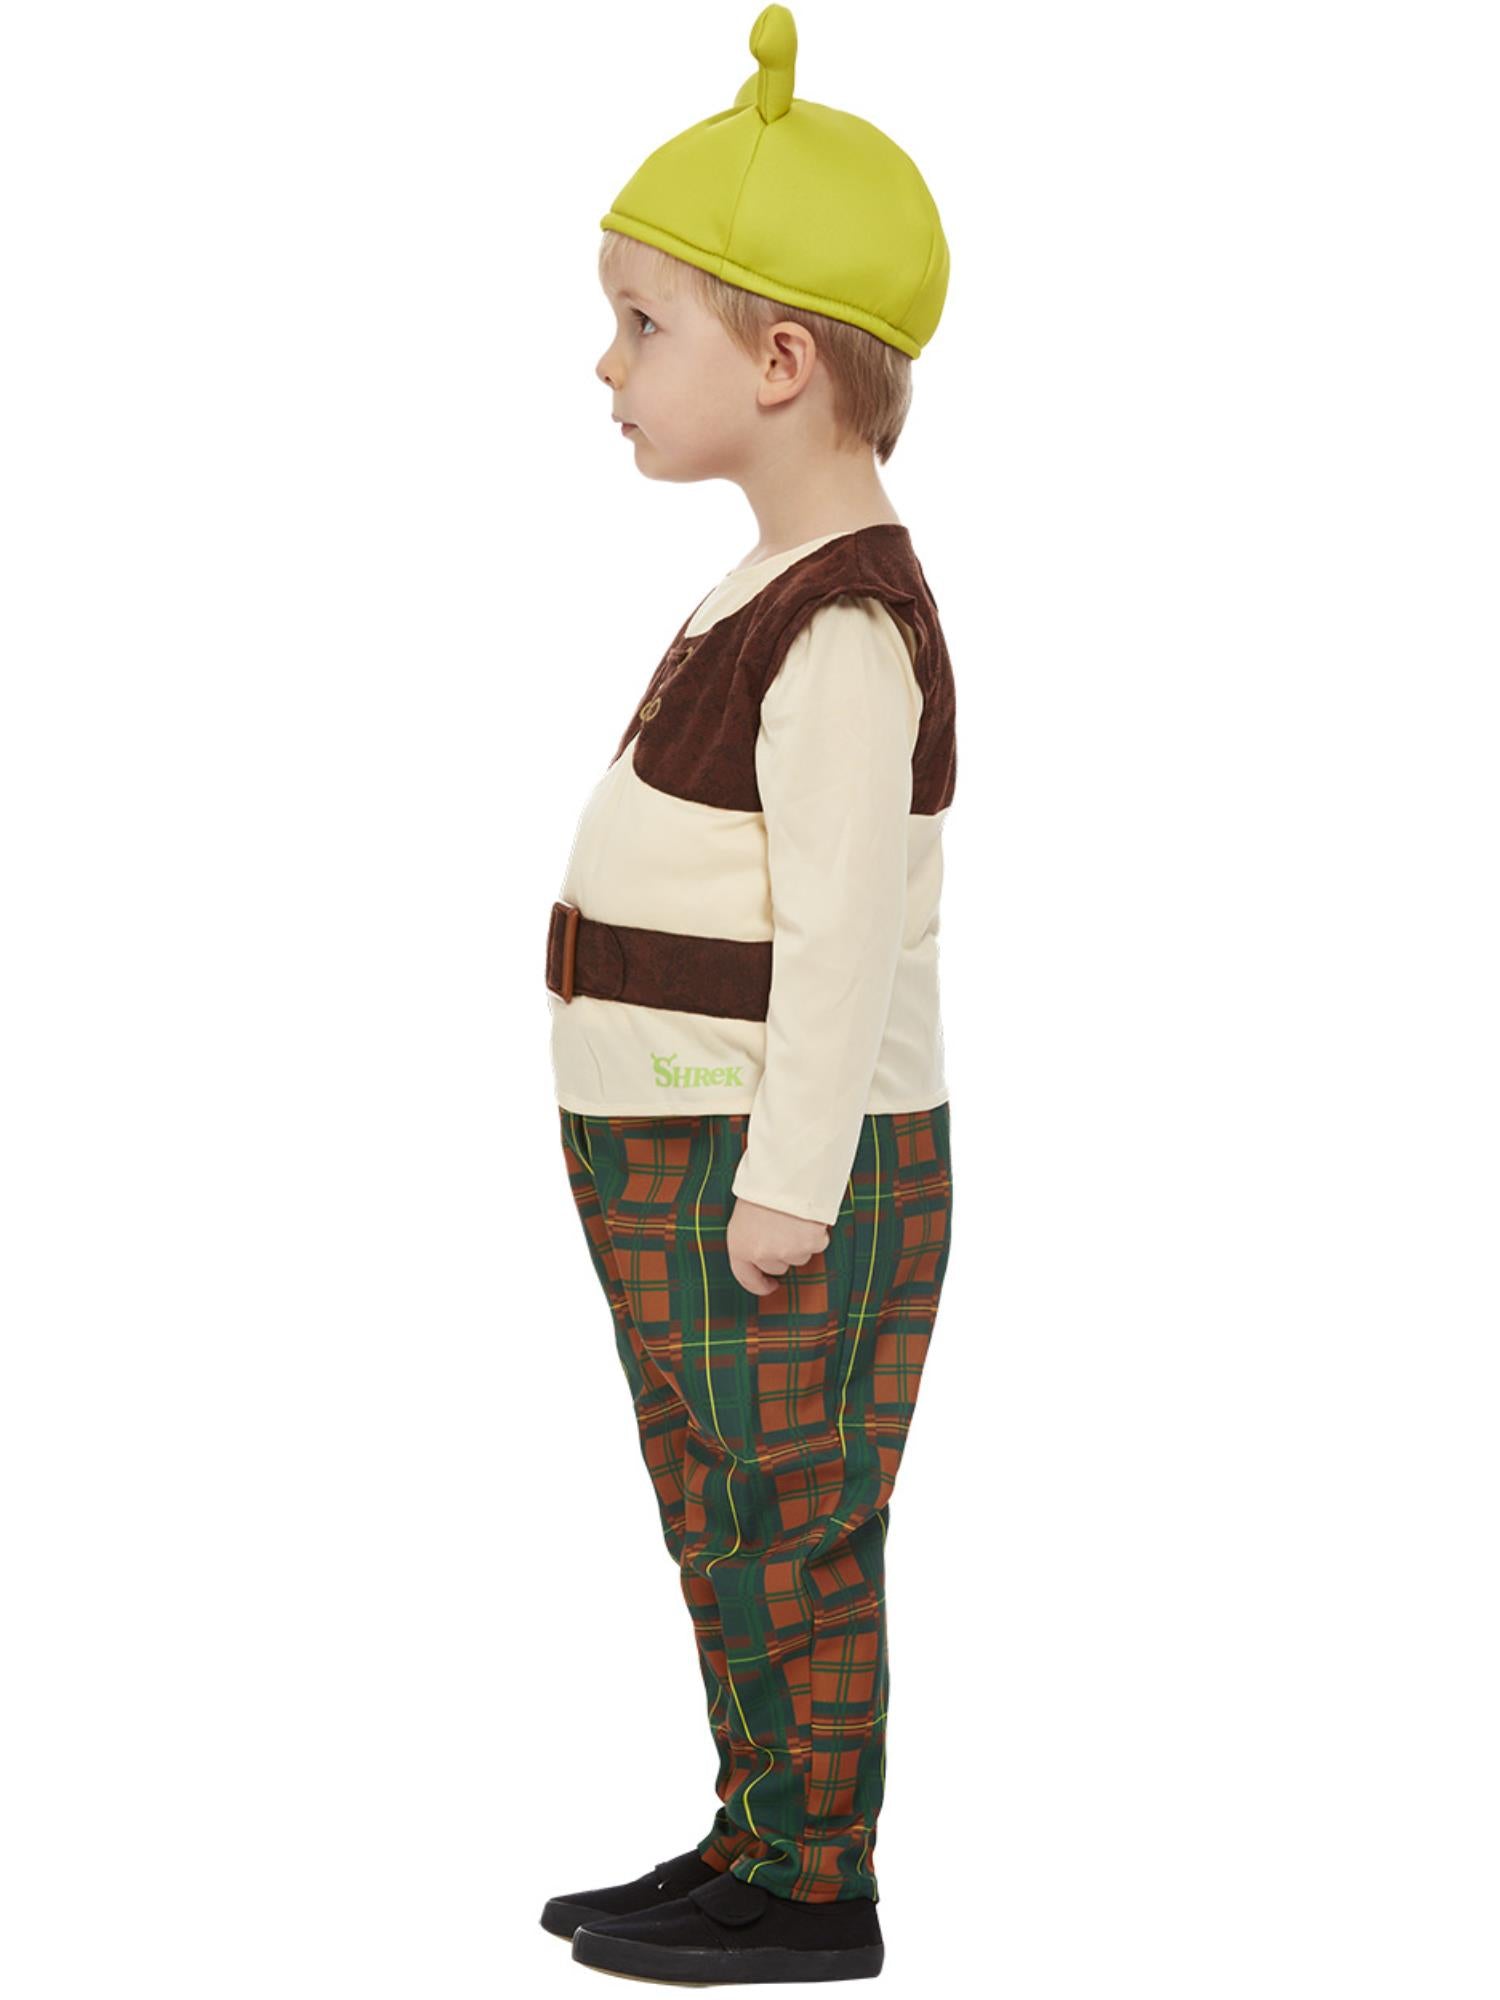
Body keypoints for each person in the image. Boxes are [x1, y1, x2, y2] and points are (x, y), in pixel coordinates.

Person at [539, 7, 957, 1981]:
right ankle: (754, 1826)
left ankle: (815, 1881)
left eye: (642, 325)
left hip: (767, 1173)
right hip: (673, 1145)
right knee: (720, 1504)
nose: (607, 364)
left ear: (782, 362)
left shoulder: (843, 625)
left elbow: (847, 933)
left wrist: (793, 1179)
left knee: (791, 1510)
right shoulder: (763, 590)